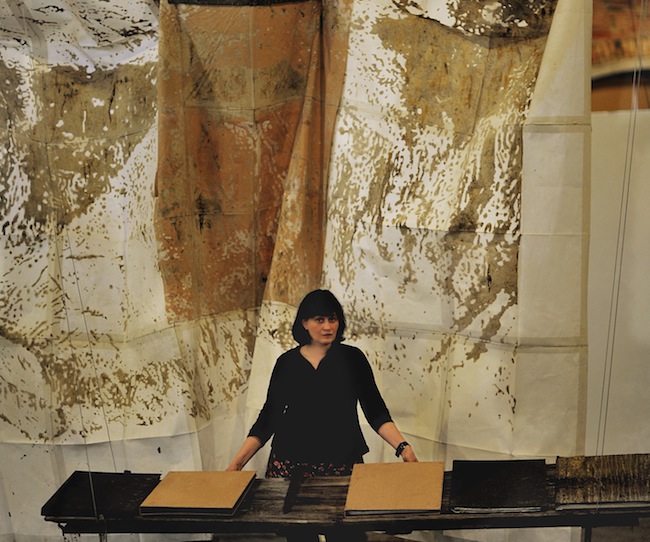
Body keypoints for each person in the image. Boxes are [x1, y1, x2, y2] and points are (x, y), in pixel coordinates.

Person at [226, 289, 417, 540]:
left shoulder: (353, 359)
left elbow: (375, 411)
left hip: (341, 464)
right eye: (320, 320)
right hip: (290, 466)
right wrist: (237, 463)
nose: (328, 326)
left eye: (332, 319)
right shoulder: (287, 363)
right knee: (300, 537)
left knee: (348, 536)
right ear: (304, 323)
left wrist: (403, 447)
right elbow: (268, 418)